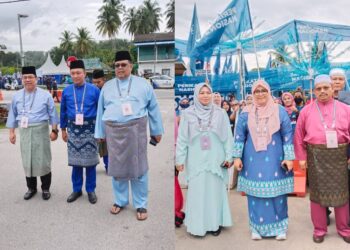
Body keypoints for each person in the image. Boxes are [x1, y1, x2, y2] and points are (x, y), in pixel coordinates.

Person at [94, 51, 163, 220]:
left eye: (123, 64)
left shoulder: (143, 84)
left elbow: (153, 108)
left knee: (138, 169)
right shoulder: (108, 86)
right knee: (117, 169)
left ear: (131, 66)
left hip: (136, 131)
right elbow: (100, 111)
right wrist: (100, 132)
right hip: (113, 132)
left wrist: (156, 130)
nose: (120, 68)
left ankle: (141, 204)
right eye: (117, 65)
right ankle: (120, 200)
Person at [233, 79, 295, 241]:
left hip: (276, 158)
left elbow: (288, 135)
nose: (260, 94)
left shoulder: (280, 110)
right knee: (255, 195)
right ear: (252, 94)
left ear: (269, 92)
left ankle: (280, 227)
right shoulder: (246, 112)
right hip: (252, 160)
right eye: (256, 91)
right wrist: (237, 157)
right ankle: (256, 228)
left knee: (277, 193)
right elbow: (239, 136)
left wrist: (289, 157)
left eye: (263, 90)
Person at [294, 74, 350, 244]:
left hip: (340, 156)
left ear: (333, 89)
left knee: (342, 195)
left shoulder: (346, 109)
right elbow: (298, 136)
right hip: (315, 156)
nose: (323, 91)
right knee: (317, 196)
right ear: (313, 91)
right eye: (319, 89)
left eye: (326, 87)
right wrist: (301, 158)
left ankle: (344, 228)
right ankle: (319, 230)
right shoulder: (306, 111)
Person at [176, 83, 233, 237]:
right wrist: (179, 159)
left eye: (208, 92)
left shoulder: (220, 113)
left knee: (214, 191)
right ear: (196, 95)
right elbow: (182, 138)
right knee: (198, 190)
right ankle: (197, 225)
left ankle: (215, 224)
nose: (206, 95)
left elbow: (228, 136)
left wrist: (229, 156)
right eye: (202, 93)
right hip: (196, 158)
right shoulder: (187, 113)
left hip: (216, 157)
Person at [6, 66, 59, 200]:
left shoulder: (45, 95)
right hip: (24, 131)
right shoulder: (17, 96)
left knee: (43, 160)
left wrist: (54, 130)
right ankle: (31, 188)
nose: (28, 80)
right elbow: (12, 114)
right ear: (21, 79)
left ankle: (45, 189)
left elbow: (53, 114)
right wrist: (11, 132)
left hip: (40, 130)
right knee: (27, 159)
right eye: (25, 77)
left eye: (30, 77)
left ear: (36, 79)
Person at [60, 60, 100, 204]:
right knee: (76, 163)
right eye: (73, 73)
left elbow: (100, 111)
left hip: (90, 130)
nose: (76, 76)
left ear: (85, 73)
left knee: (90, 163)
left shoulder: (94, 90)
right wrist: (63, 129)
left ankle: (91, 190)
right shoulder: (66, 91)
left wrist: (100, 131)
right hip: (73, 130)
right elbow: (63, 111)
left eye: (78, 73)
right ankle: (76, 189)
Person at [92, 69, 108, 172]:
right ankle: (91, 165)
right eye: (94, 82)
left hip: (106, 122)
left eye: (99, 82)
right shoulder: (92, 91)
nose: (97, 84)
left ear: (104, 80)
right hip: (94, 122)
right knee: (94, 146)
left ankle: (108, 166)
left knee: (107, 146)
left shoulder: (108, 91)